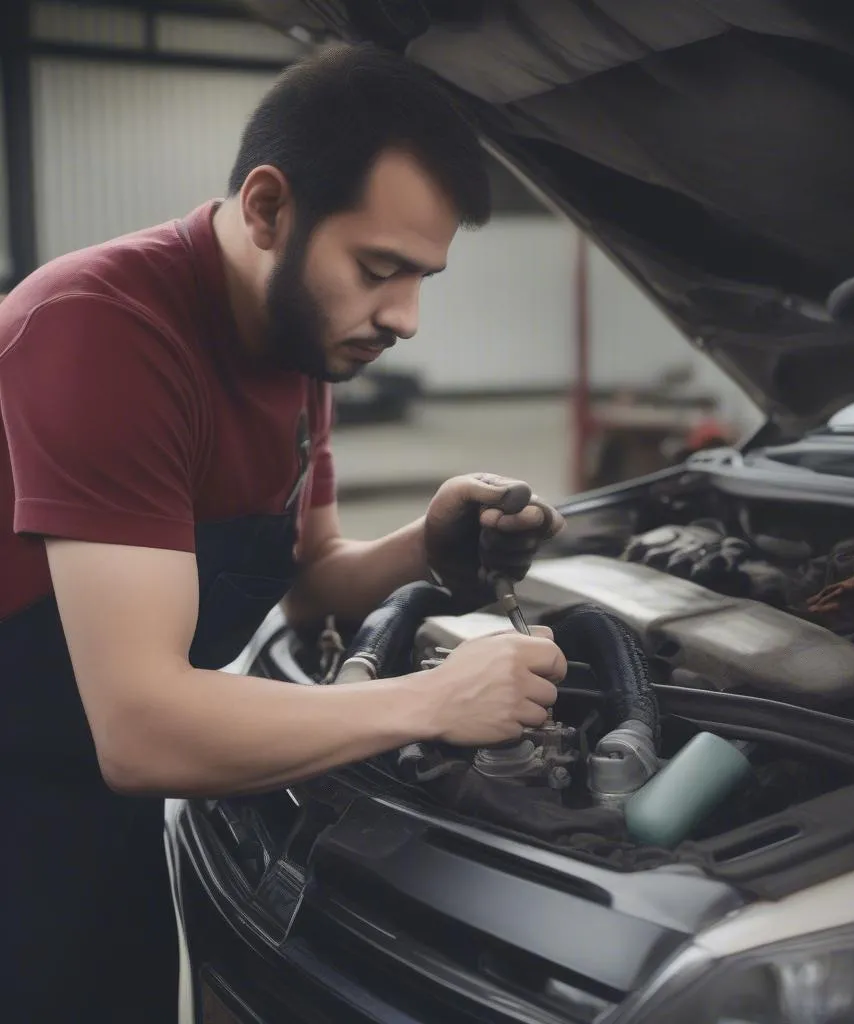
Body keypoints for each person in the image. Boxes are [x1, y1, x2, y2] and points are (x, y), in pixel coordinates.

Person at [0, 44, 566, 1022]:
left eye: (423, 276)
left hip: (94, 808)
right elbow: (142, 728)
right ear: (267, 209)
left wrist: (431, 545)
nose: (407, 317)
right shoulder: (101, 329)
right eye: (379, 269)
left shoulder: (297, 343)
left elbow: (312, 578)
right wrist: (432, 700)